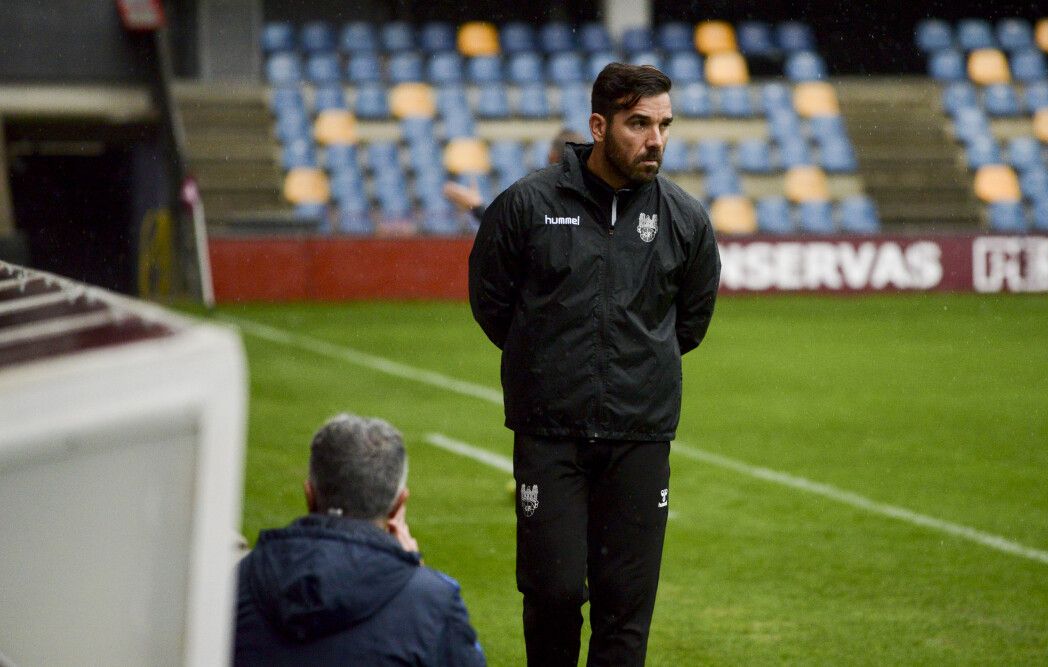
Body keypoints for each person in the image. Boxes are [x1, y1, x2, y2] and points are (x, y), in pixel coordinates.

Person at [468, 63, 721, 666]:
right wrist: (551, 362)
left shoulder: (685, 220)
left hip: (639, 434)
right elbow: (492, 303)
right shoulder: (527, 205)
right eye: (638, 124)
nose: (654, 139)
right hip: (550, 433)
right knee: (553, 596)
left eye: (663, 124)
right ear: (599, 125)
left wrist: (631, 366)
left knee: (625, 610)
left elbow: (689, 323)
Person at [233, 414, 486, 666]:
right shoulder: (432, 602)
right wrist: (417, 574)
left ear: (309, 495)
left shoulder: (236, 582)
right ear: (398, 506)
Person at [444, 129, 587, 220]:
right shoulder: (598, 204)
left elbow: (505, 229)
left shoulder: (537, 201)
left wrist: (476, 206)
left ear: (551, 156)